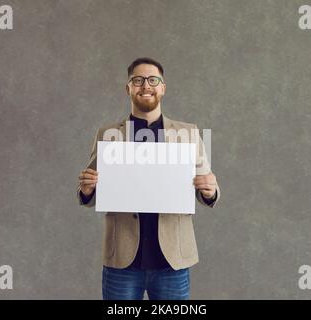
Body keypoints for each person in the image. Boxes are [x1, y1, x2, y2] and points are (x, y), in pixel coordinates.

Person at [77, 57, 220, 300]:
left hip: (171, 261)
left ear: (163, 87)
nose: (146, 85)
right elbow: (91, 193)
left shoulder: (188, 133)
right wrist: (87, 189)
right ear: (128, 88)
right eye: (138, 80)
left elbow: (206, 187)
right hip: (122, 259)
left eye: (153, 80)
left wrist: (210, 191)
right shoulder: (108, 134)